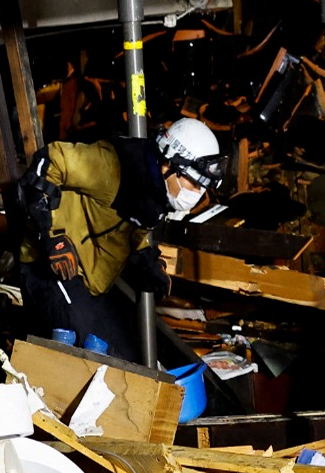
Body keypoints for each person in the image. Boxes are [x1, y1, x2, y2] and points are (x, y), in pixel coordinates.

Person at [16, 117, 225, 362]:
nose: (197, 194)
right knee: (86, 354)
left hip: (89, 279)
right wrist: (52, 238)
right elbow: (49, 161)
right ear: (169, 163)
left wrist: (147, 261)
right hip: (50, 266)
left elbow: (126, 229)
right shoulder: (113, 166)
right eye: (194, 183)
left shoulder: (154, 191)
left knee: (125, 357)